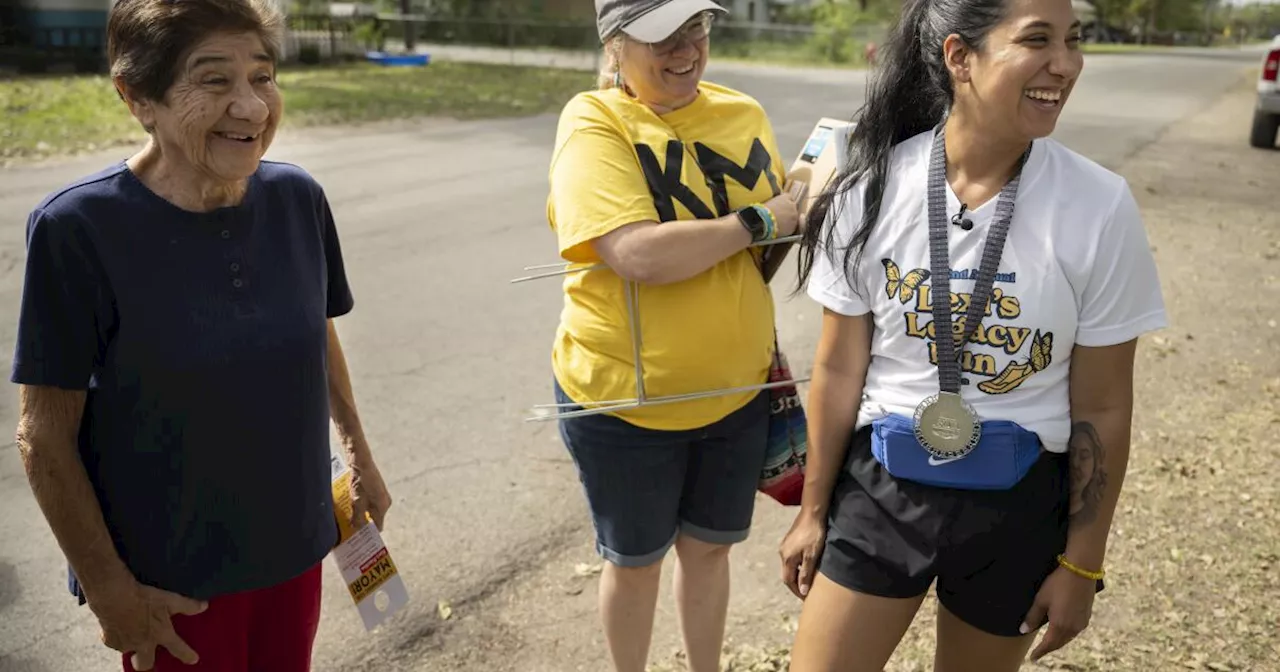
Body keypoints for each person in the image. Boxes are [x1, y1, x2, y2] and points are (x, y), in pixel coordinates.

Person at [779, 0, 1168, 669]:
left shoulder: (1099, 206)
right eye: (1037, 40)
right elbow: (839, 371)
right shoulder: (870, 189)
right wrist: (812, 510)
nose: (1065, 64)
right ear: (960, 57)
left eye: (1075, 41)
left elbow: (1102, 404)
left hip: (1018, 506)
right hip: (883, 489)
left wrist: (1082, 564)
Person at [10, 1, 391, 670]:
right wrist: (109, 590)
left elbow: (313, 327)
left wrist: (358, 452)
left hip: (294, 551)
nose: (250, 107)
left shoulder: (297, 199)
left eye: (263, 77)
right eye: (213, 81)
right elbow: (43, 437)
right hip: (174, 590)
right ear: (137, 97)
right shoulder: (79, 231)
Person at [544, 1, 807, 670]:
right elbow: (637, 254)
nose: (685, 46)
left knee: (710, 550)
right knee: (635, 563)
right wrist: (761, 220)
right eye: (661, 33)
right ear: (613, 47)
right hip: (626, 404)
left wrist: (805, 210)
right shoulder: (593, 122)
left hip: (737, 391)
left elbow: (759, 255)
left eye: (697, 26)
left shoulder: (741, 114)